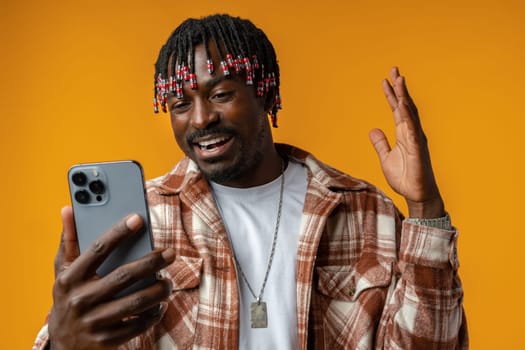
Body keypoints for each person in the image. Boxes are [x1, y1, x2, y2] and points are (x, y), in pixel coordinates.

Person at [33, 14, 468, 350]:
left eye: (222, 94)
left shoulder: (365, 211)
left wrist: (425, 207)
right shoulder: (141, 220)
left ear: (265, 90)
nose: (201, 119)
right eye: (181, 103)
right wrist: (64, 341)